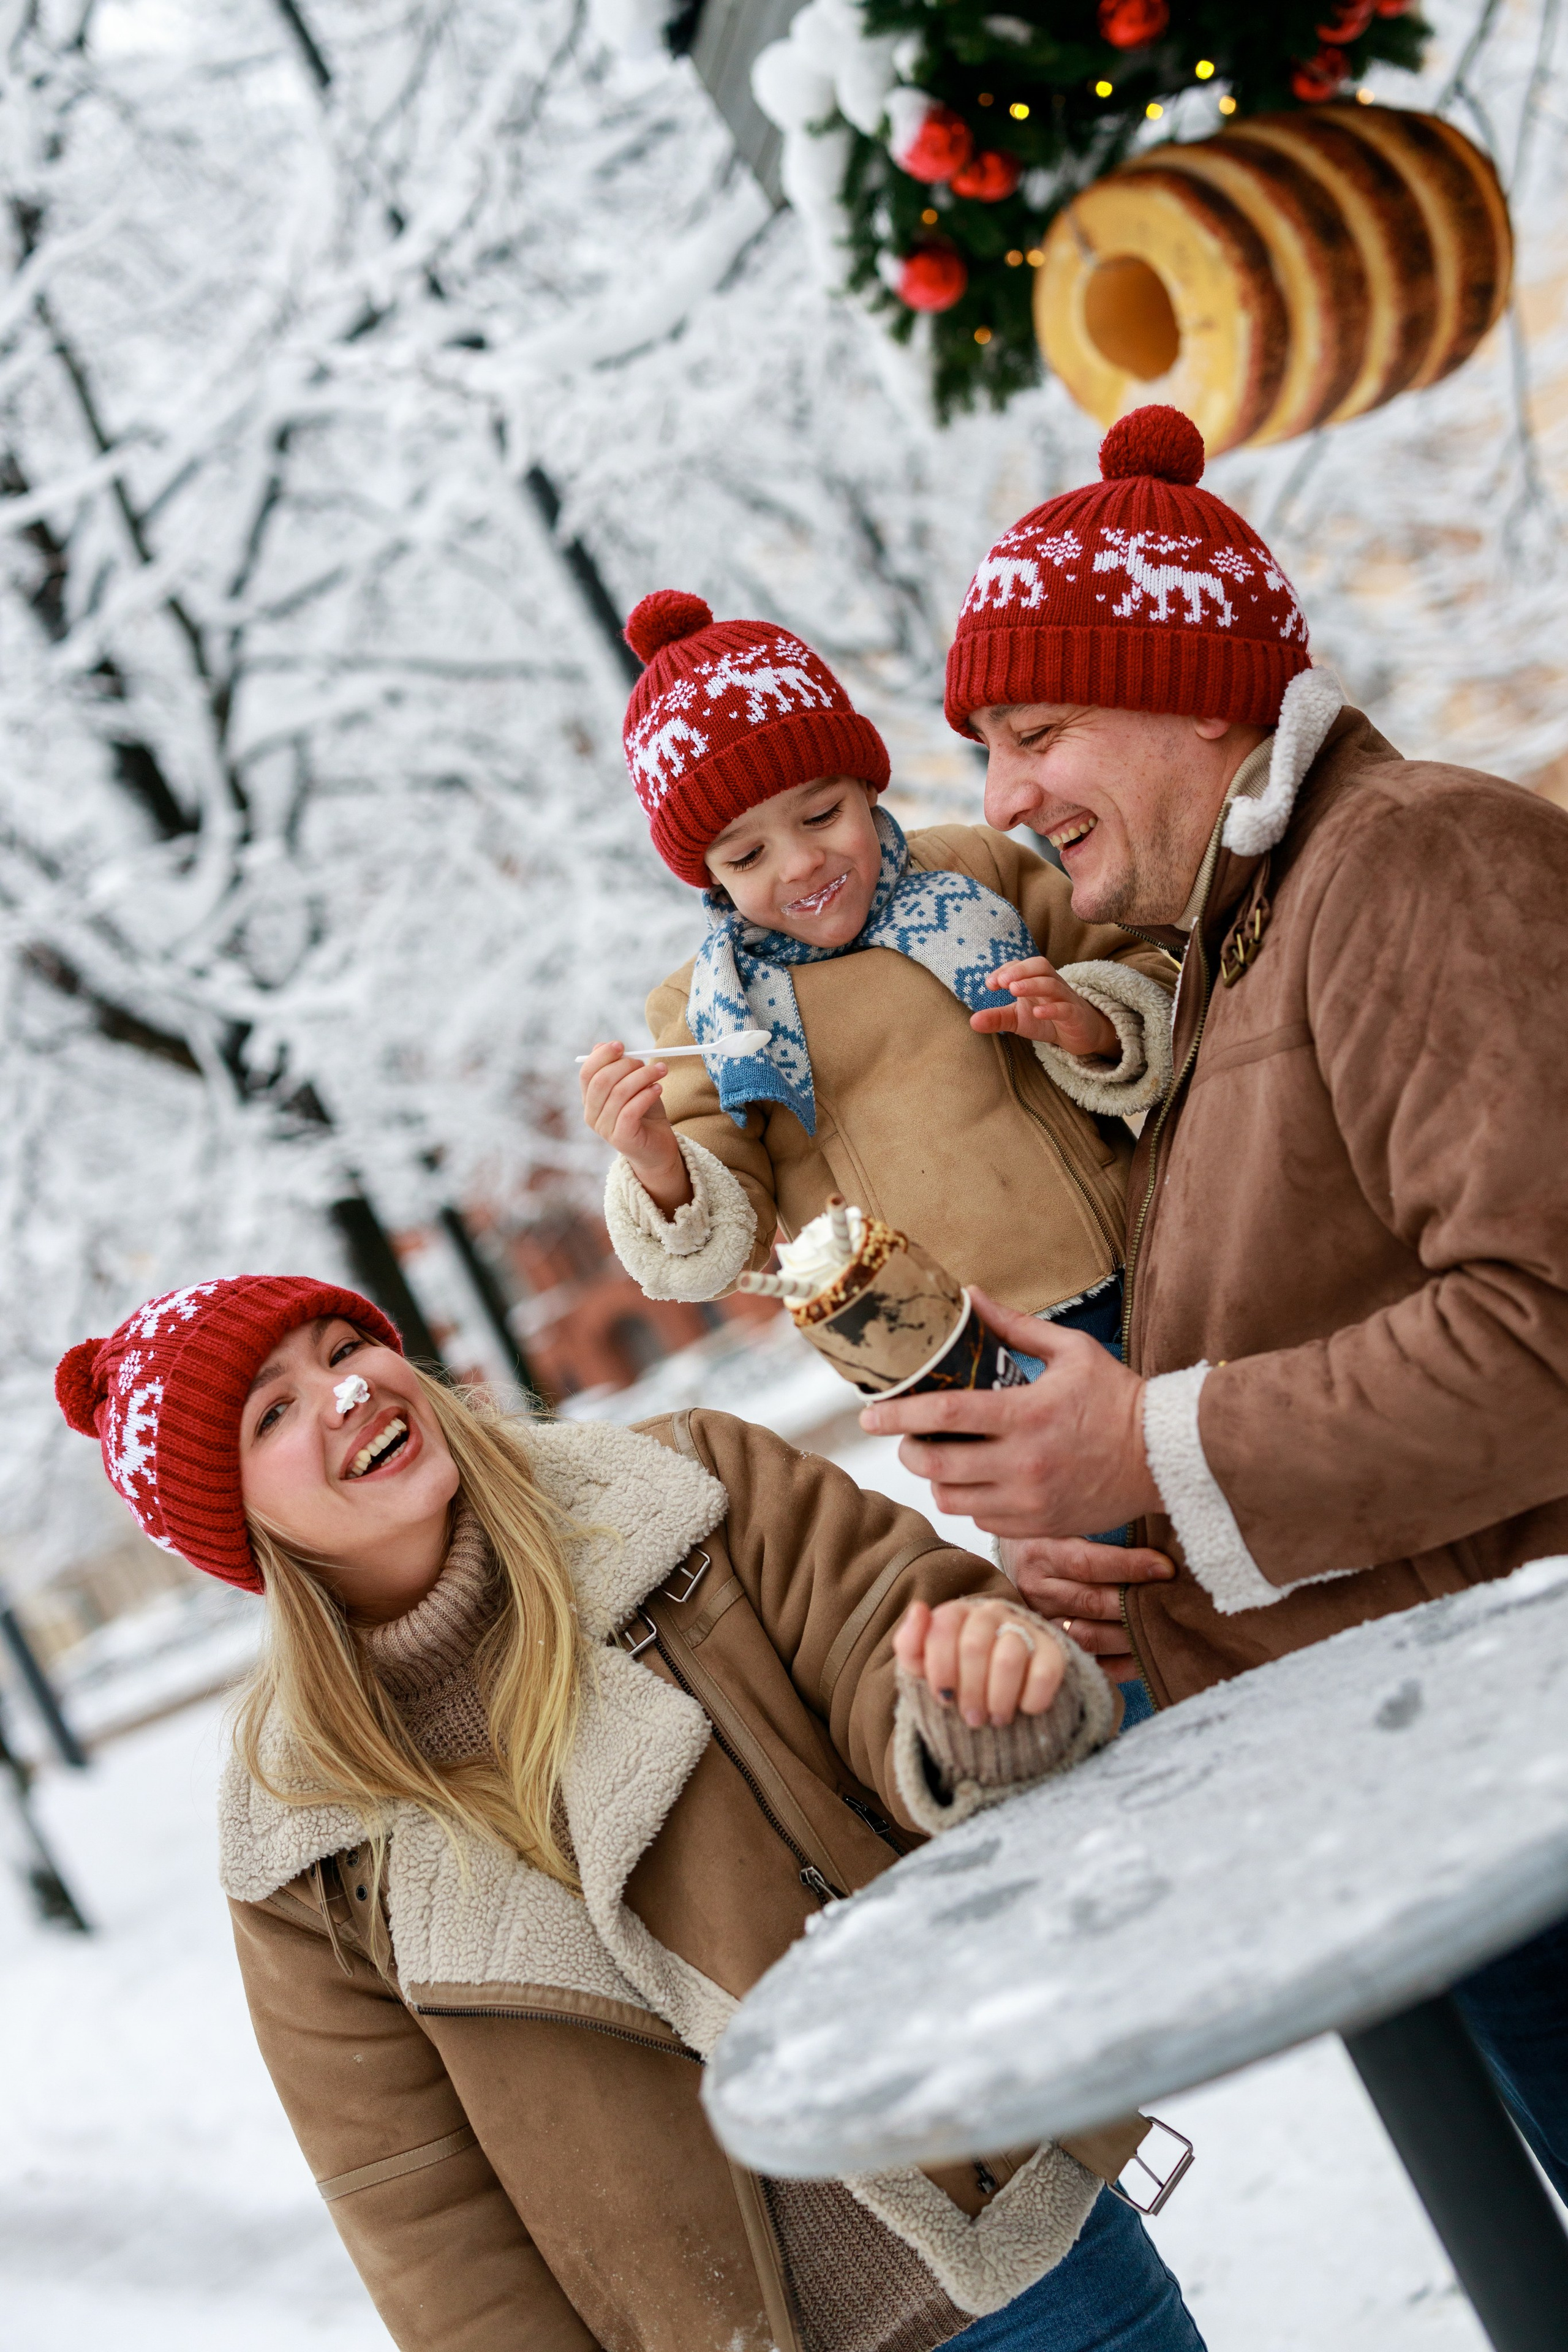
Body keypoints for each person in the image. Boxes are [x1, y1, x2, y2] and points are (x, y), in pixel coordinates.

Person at [858, 402, 1568, 2199]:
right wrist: (1113, 1533)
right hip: (1461, 1797)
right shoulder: (1234, 949)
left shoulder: (1407, 863)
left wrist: (1145, 1441)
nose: (999, 799)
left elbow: (1543, 1325)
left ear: (1193, 692)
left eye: (1034, 732)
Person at [54, 1277, 1205, 2352]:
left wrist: (975, 1695)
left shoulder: (689, 1496)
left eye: (346, 1346)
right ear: (237, 1523)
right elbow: (424, 2216)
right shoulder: (300, 1839)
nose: (348, 1392)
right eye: (274, 1414)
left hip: (1031, 2270)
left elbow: (893, 1649)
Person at [579, 589, 1178, 1372]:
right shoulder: (711, 1007)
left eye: (820, 814)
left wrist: (1093, 1024)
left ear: (866, 786)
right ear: (712, 878)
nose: (799, 865)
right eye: (747, 857)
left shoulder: (976, 870)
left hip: (1133, 1256)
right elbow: (728, 1226)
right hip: (945, 1350)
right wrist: (658, 1165)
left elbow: (1151, 980)